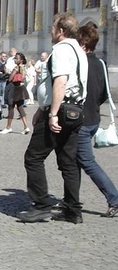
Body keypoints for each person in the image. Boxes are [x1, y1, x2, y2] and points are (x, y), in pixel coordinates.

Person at [18, 12, 88, 224]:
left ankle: (41, 205)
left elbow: (60, 82)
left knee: (33, 157)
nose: (50, 30)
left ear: (61, 31)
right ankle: (73, 209)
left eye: (53, 27)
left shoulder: (60, 50)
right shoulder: (79, 50)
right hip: (76, 110)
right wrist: (43, 107)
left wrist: (53, 113)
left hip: (61, 110)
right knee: (69, 162)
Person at [76, 23, 118, 218]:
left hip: (81, 121)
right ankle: (71, 199)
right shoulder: (100, 63)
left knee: (87, 161)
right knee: (72, 160)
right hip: (93, 118)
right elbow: (105, 93)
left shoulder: (79, 64)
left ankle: (114, 199)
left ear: (82, 43)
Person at [0, 52, 30, 134]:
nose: (15, 60)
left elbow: (10, 79)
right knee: (20, 107)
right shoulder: (24, 67)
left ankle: (8, 127)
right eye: (15, 58)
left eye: (17, 58)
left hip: (13, 89)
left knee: (11, 107)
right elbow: (22, 78)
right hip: (21, 88)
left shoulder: (16, 68)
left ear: (21, 60)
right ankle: (26, 127)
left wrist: (8, 73)